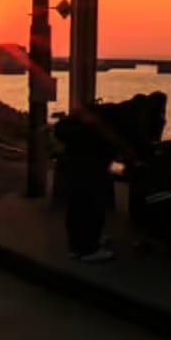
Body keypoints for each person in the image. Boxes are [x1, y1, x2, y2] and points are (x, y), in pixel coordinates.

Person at [53, 106, 117, 263]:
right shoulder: (92, 133)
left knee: (77, 208)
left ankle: (78, 245)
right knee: (93, 207)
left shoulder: (70, 132)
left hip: (76, 171)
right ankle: (89, 249)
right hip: (92, 171)